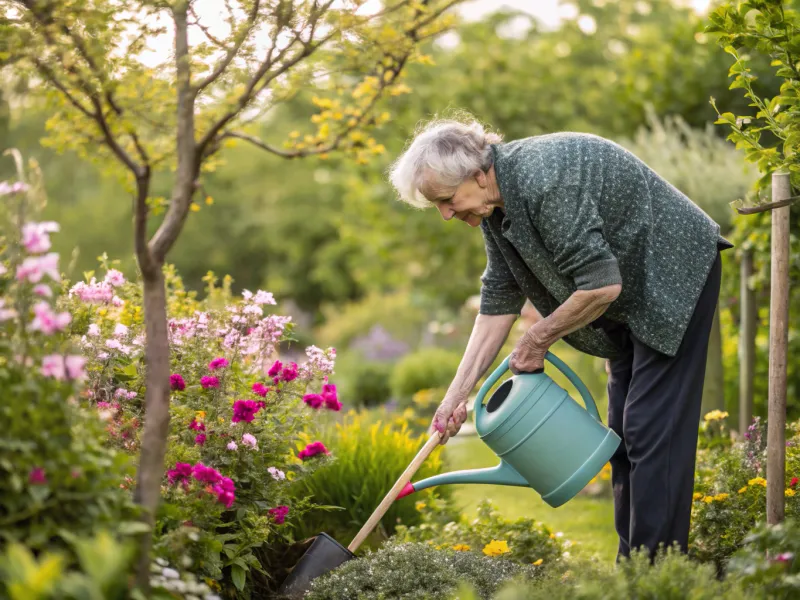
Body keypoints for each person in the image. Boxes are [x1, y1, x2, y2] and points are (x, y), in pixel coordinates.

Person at [387, 117, 732, 561]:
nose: (447, 214)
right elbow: (498, 297)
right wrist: (455, 397)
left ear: (476, 174)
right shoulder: (495, 205)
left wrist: (536, 341)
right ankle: (636, 570)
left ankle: (657, 576)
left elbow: (600, 286)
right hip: (629, 298)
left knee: (651, 431)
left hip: (673, 275)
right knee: (623, 437)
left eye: (447, 200)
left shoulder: (542, 181)